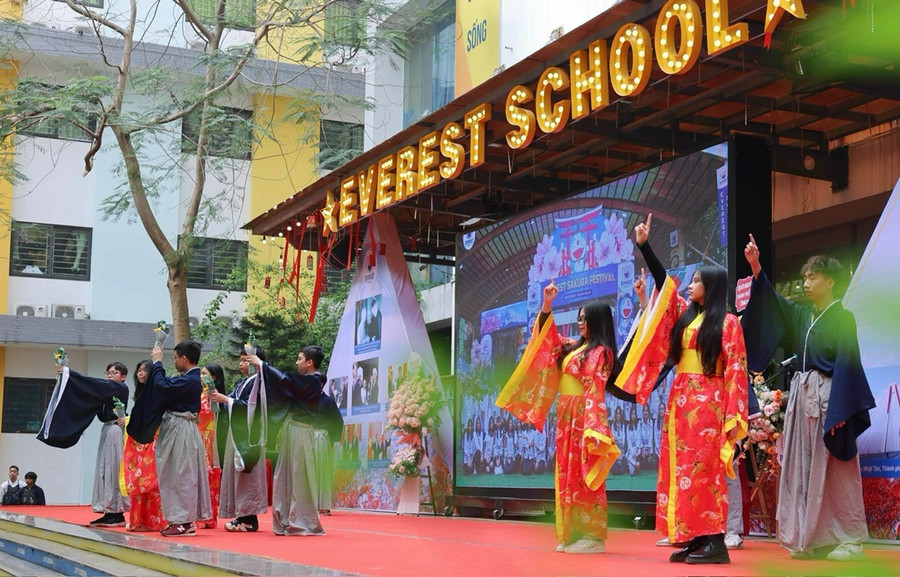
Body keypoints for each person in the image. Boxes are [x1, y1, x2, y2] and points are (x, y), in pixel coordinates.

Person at [614, 214, 749, 564]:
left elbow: (736, 370)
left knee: (705, 471)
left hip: (711, 403)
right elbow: (665, 284)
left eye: (697, 282)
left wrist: (734, 416)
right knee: (683, 470)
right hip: (682, 402)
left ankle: (715, 542)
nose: (690, 286)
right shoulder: (686, 317)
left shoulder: (728, 323)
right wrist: (645, 247)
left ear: (713, 287)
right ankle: (693, 536)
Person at [742, 234, 875, 561]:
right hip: (804, 397)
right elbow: (775, 302)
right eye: (803, 277)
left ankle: (850, 538)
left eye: (812, 277)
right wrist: (757, 267)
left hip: (830, 397)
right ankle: (814, 537)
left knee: (836, 465)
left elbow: (848, 362)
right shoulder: (806, 316)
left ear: (830, 281)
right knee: (806, 467)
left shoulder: (843, 317)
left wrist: (842, 408)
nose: (805, 283)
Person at [496, 280, 621, 554]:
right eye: (578, 319)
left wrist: (593, 428)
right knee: (567, 474)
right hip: (566, 419)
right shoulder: (574, 346)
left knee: (584, 473)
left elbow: (594, 390)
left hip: (583, 417)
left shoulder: (602, 353)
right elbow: (547, 339)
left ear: (597, 321)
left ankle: (593, 535)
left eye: (585, 319)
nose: (580, 323)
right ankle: (573, 532)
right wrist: (547, 305)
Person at [244, 345, 343, 536]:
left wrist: (263, 365)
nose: (296, 362)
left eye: (299, 359)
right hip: (293, 431)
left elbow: (285, 380)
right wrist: (261, 368)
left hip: (301, 432)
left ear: (310, 362)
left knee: (299, 477)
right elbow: (284, 384)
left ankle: (301, 521)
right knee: (285, 476)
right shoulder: (305, 381)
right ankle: (286, 519)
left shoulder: (313, 381)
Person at [126, 340, 212, 537]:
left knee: (181, 476)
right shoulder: (187, 378)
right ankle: (179, 519)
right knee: (173, 475)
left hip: (182, 429)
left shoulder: (190, 379)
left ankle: (185, 522)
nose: (173, 361)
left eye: (175, 358)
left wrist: (157, 363)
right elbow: (164, 387)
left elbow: (162, 387)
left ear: (184, 358)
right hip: (176, 428)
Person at [209, 348, 270, 533]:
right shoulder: (246, 381)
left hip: (248, 436)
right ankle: (243, 515)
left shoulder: (259, 381)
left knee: (247, 475)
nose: (241, 364)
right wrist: (224, 401)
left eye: (245, 360)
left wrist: (226, 400)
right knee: (240, 475)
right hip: (238, 434)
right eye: (241, 360)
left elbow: (251, 409)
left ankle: (249, 518)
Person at [122, 360, 165, 532]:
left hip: (152, 440)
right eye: (138, 370)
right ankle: (137, 520)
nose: (140, 373)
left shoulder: (158, 393)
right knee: (137, 483)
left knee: (152, 483)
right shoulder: (140, 395)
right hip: (137, 442)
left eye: (144, 370)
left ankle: (153, 521)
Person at [88, 362, 131, 527]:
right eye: (108, 372)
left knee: (112, 469)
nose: (110, 375)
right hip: (107, 428)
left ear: (123, 377)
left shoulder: (121, 389)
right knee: (104, 470)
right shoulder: (105, 392)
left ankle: (116, 511)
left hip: (115, 429)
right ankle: (109, 510)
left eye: (114, 372)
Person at [198, 363, 225, 529]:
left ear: (213, 377)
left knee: (207, 475)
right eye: (200, 373)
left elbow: (205, 413)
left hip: (208, 436)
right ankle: (202, 515)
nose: (201, 377)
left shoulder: (212, 394)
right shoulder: (202, 392)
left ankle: (207, 516)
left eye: (204, 374)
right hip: (200, 435)